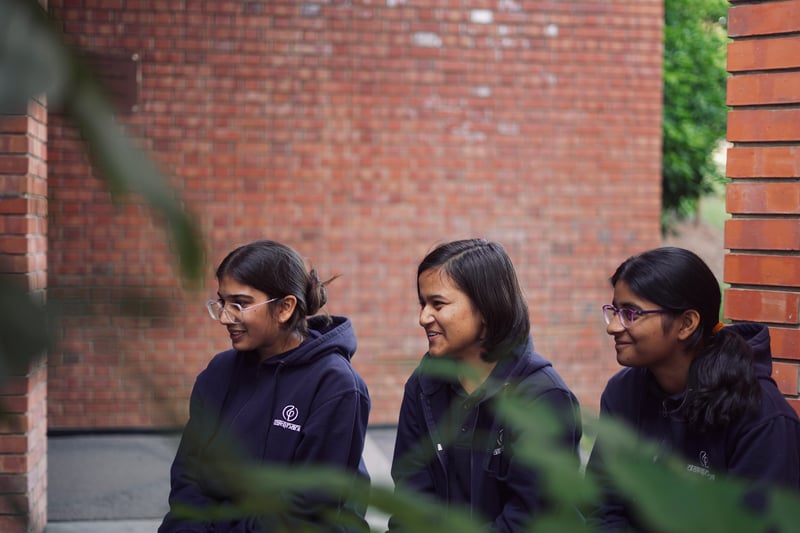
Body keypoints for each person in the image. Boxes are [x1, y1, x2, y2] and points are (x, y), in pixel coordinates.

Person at [159, 240, 371, 532]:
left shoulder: (336, 385)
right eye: (222, 302)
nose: (224, 317)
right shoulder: (219, 372)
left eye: (240, 304)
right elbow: (189, 475)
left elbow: (307, 510)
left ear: (285, 307)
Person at [587, 246, 800, 530]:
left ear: (686, 324)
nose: (613, 327)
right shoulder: (622, 393)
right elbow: (600, 505)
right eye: (614, 311)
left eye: (630, 314)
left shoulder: (762, 418)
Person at [388, 238, 582, 531]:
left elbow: (529, 520)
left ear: (486, 309)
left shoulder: (542, 398)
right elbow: (410, 501)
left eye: (437, 304)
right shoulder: (424, 384)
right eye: (423, 304)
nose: (423, 318)